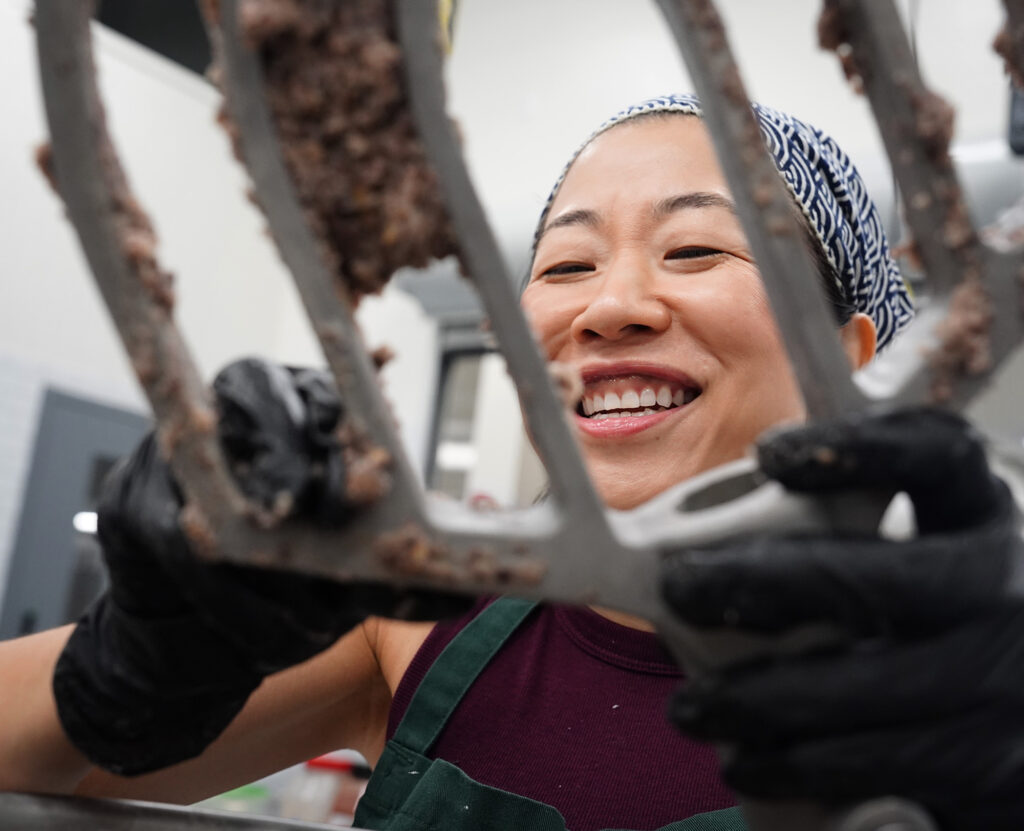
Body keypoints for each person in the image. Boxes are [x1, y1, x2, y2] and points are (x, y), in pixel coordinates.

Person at [0, 93, 1021, 831]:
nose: (607, 307)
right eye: (565, 266)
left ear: (855, 359)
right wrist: (128, 662)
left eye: (697, 250)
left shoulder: (966, 685)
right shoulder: (410, 627)